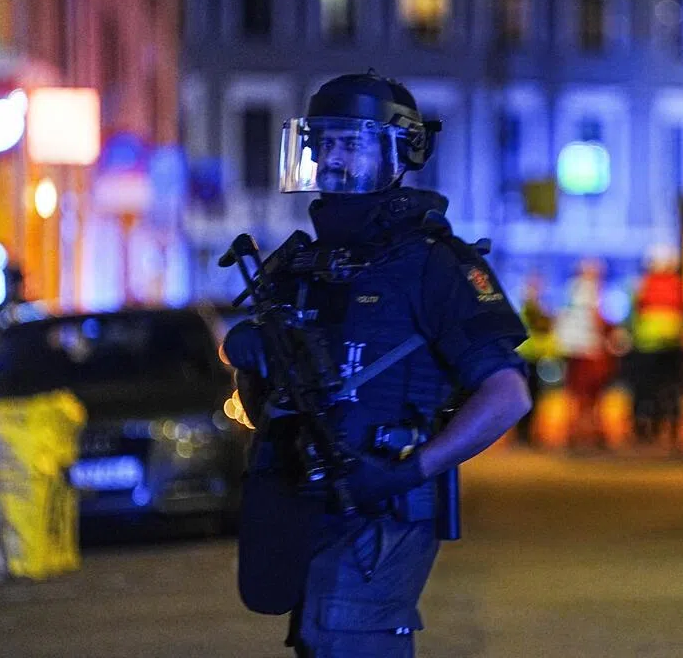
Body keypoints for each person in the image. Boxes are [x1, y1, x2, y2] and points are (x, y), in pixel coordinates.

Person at [222, 71, 531, 657]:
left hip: (383, 503)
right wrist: (245, 351)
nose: (332, 158)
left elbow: (506, 394)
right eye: (323, 142)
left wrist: (413, 471)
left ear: (400, 150)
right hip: (300, 496)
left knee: (347, 634)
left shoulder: (435, 265)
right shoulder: (301, 265)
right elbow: (261, 395)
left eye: (350, 142)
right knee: (317, 636)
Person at [628, 245, 683, 448]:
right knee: (669, 391)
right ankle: (669, 429)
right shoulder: (678, 285)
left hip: (647, 347)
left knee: (646, 391)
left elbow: (634, 314)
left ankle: (646, 429)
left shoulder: (643, 285)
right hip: (670, 346)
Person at [554, 259, 614, 450]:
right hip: (588, 348)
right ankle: (590, 433)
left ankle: (573, 432)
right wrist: (606, 337)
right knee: (591, 396)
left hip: (571, 348)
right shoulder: (589, 289)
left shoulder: (571, 290)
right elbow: (595, 317)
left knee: (575, 393)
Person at [515, 273, 555, 446]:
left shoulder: (539, 311)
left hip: (536, 359)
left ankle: (528, 432)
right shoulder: (528, 311)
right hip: (525, 359)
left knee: (534, 398)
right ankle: (522, 433)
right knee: (526, 397)